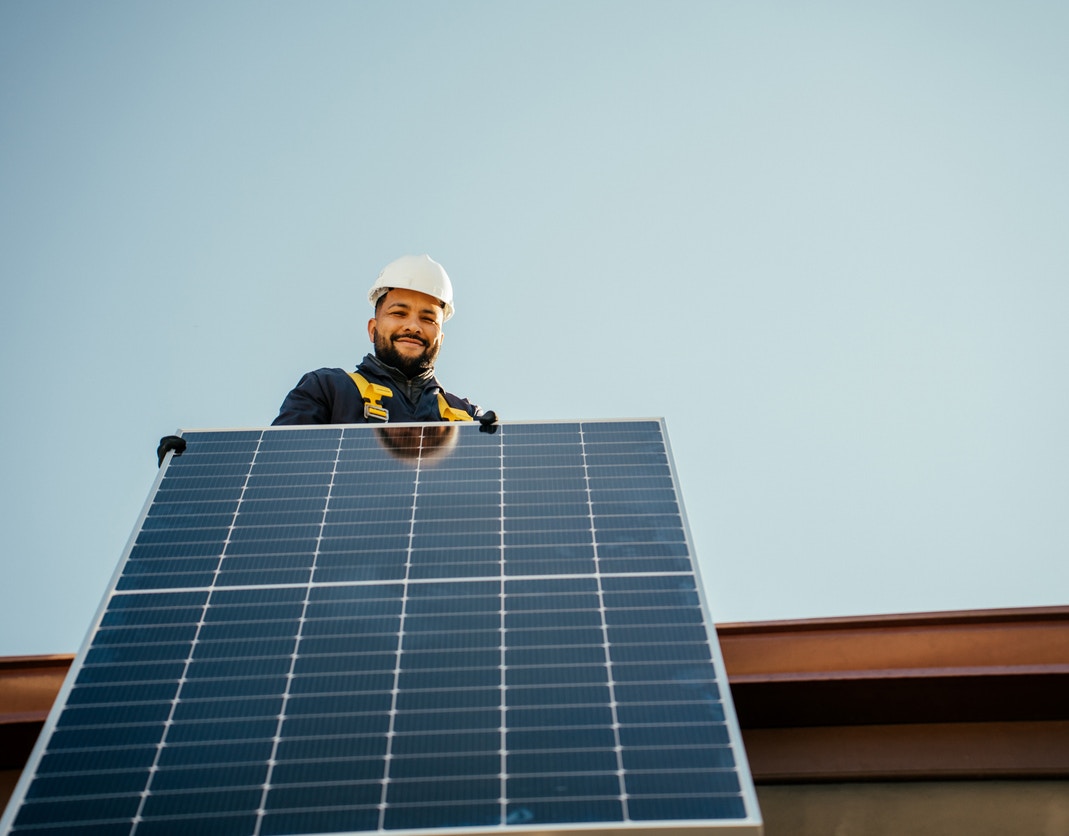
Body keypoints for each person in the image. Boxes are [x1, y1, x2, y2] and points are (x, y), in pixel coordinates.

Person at [272, 254, 484, 425]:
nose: (413, 326)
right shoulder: (327, 390)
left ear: (441, 338)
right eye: (399, 313)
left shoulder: (467, 416)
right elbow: (281, 467)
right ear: (373, 329)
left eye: (428, 319)